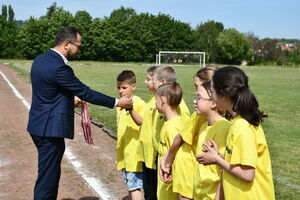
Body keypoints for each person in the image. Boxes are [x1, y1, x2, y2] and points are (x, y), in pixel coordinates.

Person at [27, 26, 132, 200]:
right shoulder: (59, 67)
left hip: (38, 125)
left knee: (48, 174)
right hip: (49, 130)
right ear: (67, 44)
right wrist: (117, 102)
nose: (79, 50)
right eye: (78, 45)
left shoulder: (40, 60)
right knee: (48, 179)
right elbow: (86, 92)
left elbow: (48, 92)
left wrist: (69, 101)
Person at [197, 66, 275, 200]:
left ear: (224, 95)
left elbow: (247, 174)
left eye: (212, 92)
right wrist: (220, 156)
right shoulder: (236, 122)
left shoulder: (242, 126)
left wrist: (216, 160)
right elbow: (239, 162)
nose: (212, 97)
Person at [160, 66, 226, 200]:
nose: (195, 97)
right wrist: (168, 159)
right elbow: (183, 135)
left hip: (193, 173)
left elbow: (181, 137)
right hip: (193, 175)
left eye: (198, 87)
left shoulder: (211, 119)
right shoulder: (202, 117)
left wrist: (168, 160)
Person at [127, 66, 159, 200]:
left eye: (148, 79)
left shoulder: (169, 103)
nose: (145, 82)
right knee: (149, 193)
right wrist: (130, 109)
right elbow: (142, 122)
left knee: (156, 193)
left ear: (161, 82)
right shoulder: (152, 100)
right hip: (147, 155)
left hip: (156, 157)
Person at [116, 70, 146, 200]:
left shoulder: (139, 103)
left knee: (135, 187)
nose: (120, 91)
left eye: (124, 87)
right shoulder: (120, 105)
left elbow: (143, 123)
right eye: (118, 88)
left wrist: (131, 109)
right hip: (125, 154)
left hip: (135, 155)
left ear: (133, 86)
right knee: (131, 186)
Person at [156, 82, 183, 200]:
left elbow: (176, 153)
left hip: (169, 186)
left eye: (155, 99)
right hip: (165, 185)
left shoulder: (173, 127)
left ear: (162, 100)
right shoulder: (170, 123)